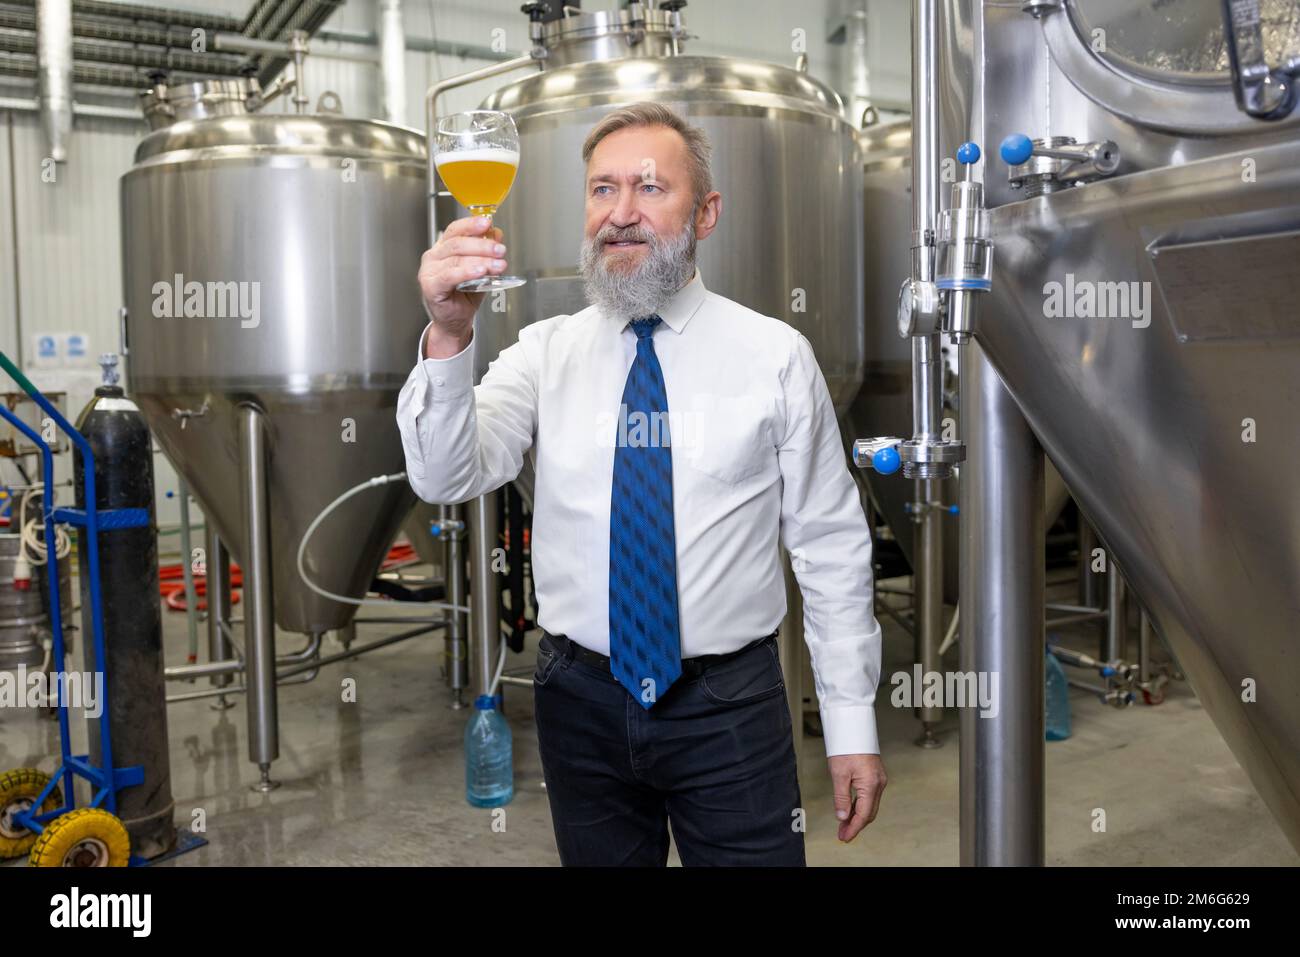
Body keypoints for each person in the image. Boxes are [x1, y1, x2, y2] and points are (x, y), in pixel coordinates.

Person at [397, 101, 886, 866]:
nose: (620, 214)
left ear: (707, 212)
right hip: (577, 702)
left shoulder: (775, 355)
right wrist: (451, 336)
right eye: (601, 190)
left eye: (650, 188)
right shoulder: (541, 352)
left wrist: (852, 724)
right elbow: (446, 473)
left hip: (731, 706)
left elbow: (830, 544)